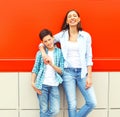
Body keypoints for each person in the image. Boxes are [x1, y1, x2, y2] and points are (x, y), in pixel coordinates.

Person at [39, 9, 97, 117]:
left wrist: (89, 76)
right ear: (67, 21)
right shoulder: (62, 35)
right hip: (67, 73)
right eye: (70, 16)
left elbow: (89, 57)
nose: (72, 18)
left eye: (75, 16)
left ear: (78, 19)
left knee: (92, 102)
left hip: (82, 72)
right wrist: (43, 53)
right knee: (72, 104)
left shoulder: (86, 36)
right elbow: (44, 42)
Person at [31, 29, 64, 117]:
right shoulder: (40, 53)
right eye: (45, 41)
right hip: (42, 85)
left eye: (49, 39)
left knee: (55, 110)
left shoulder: (59, 52)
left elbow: (61, 71)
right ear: (42, 42)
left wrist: (52, 64)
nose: (48, 43)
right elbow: (35, 69)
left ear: (53, 38)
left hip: (54, 85)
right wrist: (32, 83)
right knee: (43, 110)